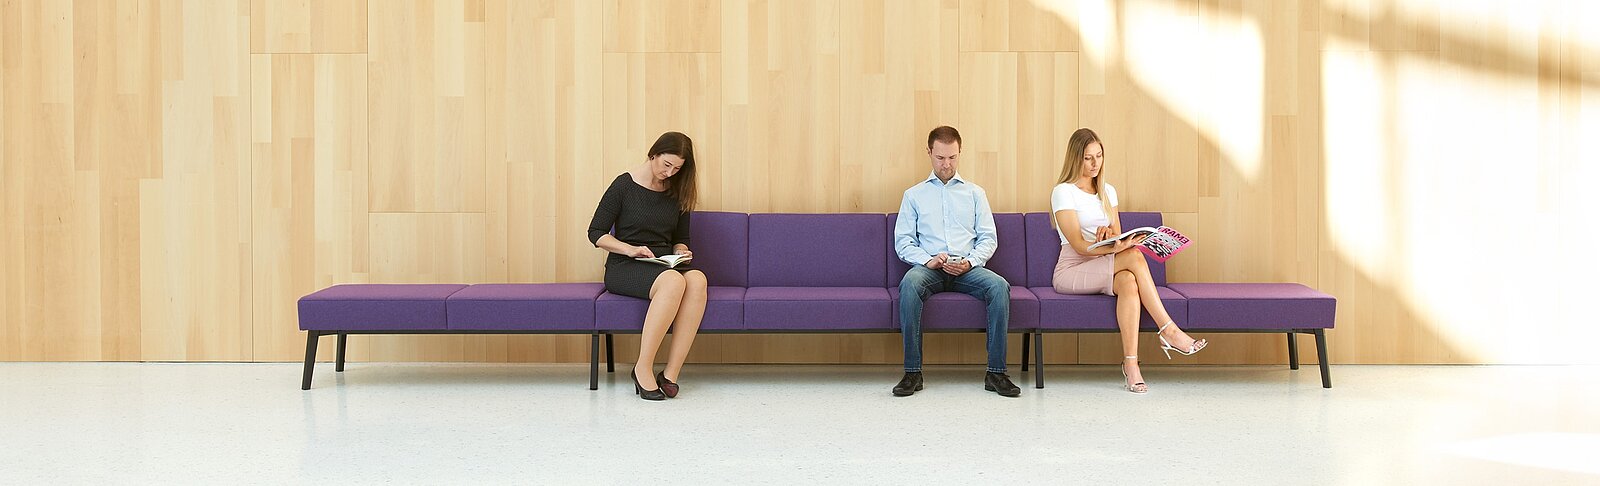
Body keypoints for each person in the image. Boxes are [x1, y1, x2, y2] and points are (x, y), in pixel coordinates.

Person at [1050, 128, 1208, 394]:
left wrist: (1110, 238)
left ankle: (1131, 366)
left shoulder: (1107, 191)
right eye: (1088, 158)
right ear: (1075, 158)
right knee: (1133, 256)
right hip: (1072, 269)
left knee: (1128, 282)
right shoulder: (1063, 192)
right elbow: (1077, 244)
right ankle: (1168, 330)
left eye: (1099, 156)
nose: (1095, 163)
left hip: (1104, 261)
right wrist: (1111, 247)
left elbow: (1117, 235)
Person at [892, 126, 1020, 398]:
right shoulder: (914, 195)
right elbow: (903, 242)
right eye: (940, 158)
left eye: (952, 157)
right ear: (929, 153)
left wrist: (970, 262)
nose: (946, 164)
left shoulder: (975, 194)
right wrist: (928, 260)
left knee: (999, 286)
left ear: (960, 153)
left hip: (967, 269)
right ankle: (912, 372)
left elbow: (988, 238)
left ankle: (996, 373)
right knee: (909, 284)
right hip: (930, 270)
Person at [586, 132, 707, 401]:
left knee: (697, 279)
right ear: (654, 153)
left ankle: (670, 374)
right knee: (673, 281)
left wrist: (681, 251)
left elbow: (681, 238)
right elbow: (596, 233)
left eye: (677, 169)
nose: (670, 173)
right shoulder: (624, 185)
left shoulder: (677, 190)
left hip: (662, 264)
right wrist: (630, 249)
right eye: (667, 164)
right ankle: (642, 368)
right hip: (625, 264)